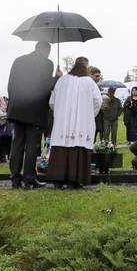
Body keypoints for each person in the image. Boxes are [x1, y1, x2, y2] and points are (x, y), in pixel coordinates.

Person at [7, 40, 60, 190]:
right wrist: (56, 78)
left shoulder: (18, 60)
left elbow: (10, 84)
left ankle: (15, 178)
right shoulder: (47, 63)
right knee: (32, 146)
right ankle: (29, 178)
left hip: (17, 109)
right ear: (46, 50)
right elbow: (45, 86)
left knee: (17, 144)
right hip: (35, 111)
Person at [47, 57, 102, 189]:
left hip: (63, 124)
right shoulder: (89, 82)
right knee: (78, 144)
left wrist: (61, 113)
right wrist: (88, 115)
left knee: (61, 146)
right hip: (81, 123)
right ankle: (74, 181)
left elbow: (52, 102)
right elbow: (98, 101)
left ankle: (58, 181)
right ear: (86, 67)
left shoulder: (62, 81)